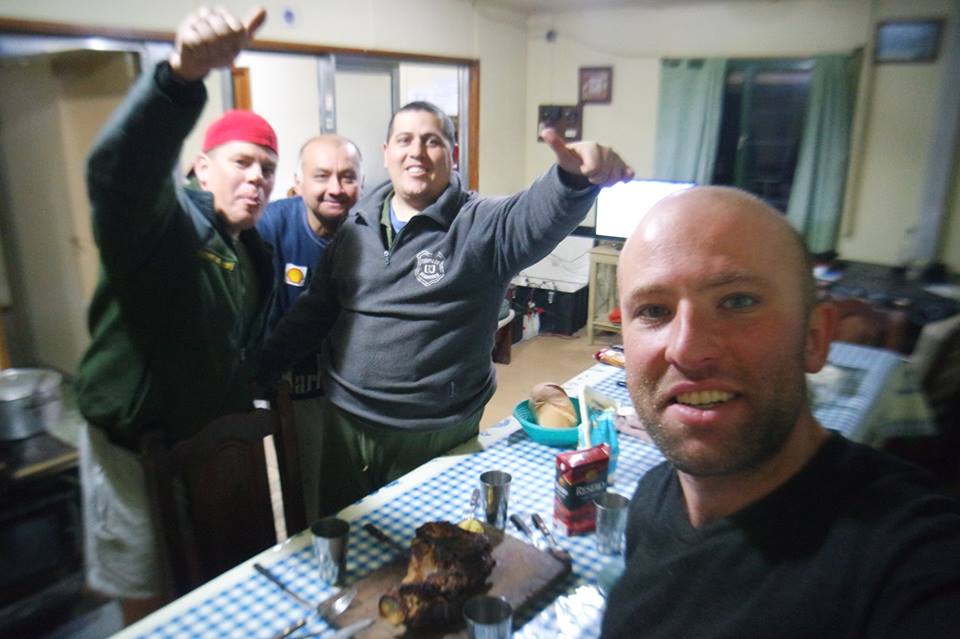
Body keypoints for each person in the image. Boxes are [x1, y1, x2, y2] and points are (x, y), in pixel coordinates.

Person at [601, 186, 960, 638]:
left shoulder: (908, 559)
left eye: (737, 301)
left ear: (814, 337)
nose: (688, 350)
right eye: (654, 310)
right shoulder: (653, 495)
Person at [259, 103, 634, 516]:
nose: (416, 152)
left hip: (433, 431)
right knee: (341, 532)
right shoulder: (356, 224)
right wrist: (259, 370)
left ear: (452, 155)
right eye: (405, 140)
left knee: (429, 544)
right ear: (386, 152)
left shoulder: (481, 224)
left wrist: (572, 180)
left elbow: (532, 215)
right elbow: (315, 310)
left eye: (431, 141)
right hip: (346, 424)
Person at [74, 6, 276, 624]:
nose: (257, 178)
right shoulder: (161, 225)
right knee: (150, 598)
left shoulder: (250, 250)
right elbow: (119, 175)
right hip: (131, 452)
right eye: (242, 162)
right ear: (200, 167)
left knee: (205, 583)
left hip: (202, 445)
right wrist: (178, 81)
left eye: (267, 169)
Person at [256, 135, 363, 522]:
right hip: (294, 383)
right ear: (298, 182)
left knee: (356, 486)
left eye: (347, 177)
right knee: (307, 490)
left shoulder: (368, 232)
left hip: (355, 382)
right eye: (322, 176)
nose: (336, 188)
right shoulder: (271, 226)